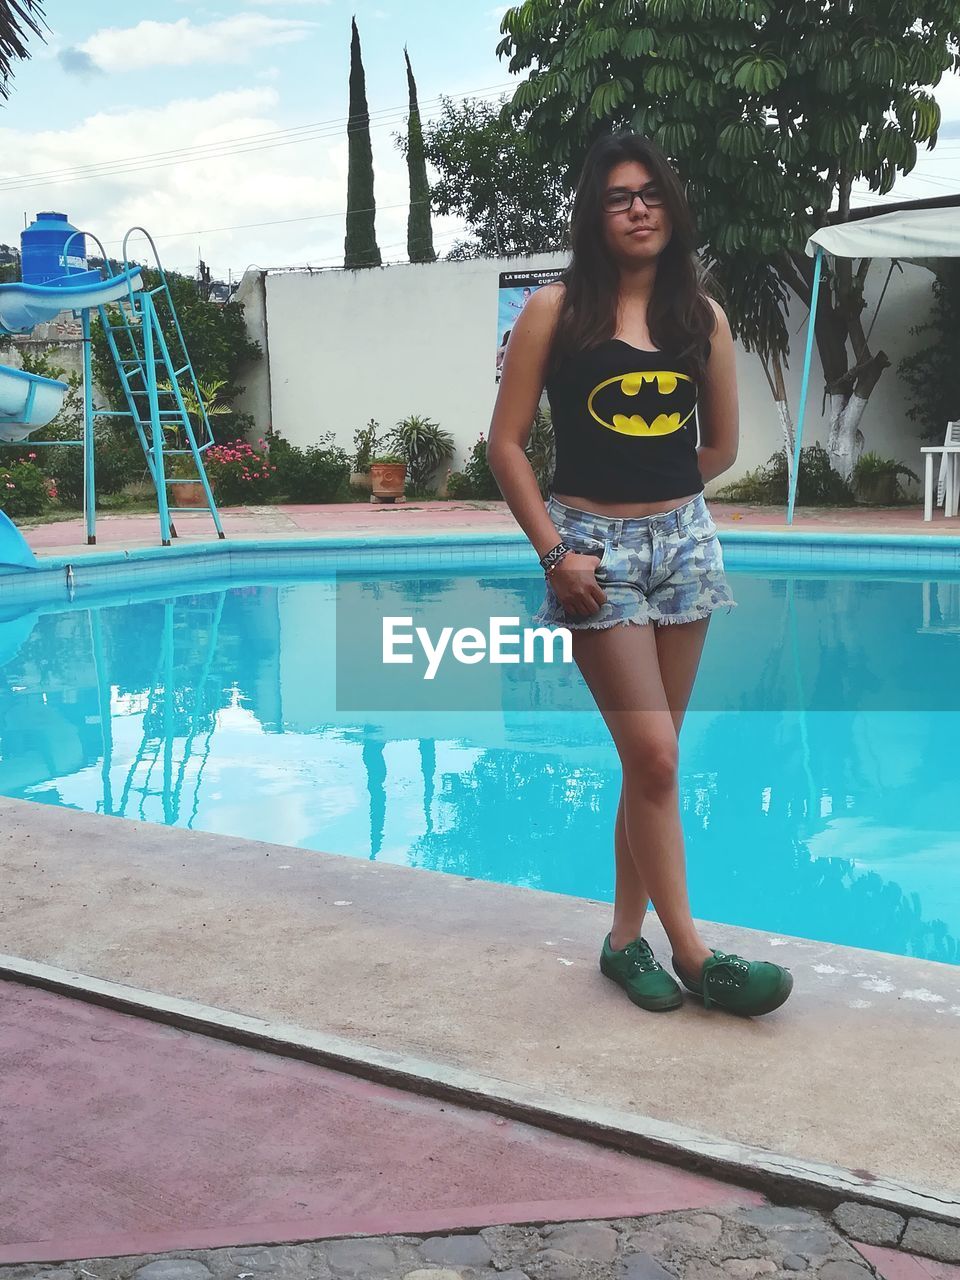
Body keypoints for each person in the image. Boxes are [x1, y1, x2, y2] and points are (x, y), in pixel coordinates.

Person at [487, 133, 793, 1018]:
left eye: (651, 192)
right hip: (590, 553)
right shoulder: (554, 310)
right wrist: (557, 552)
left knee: (646, 761)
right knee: (655, 754)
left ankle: (625, 942)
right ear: (596, 212)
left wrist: (662, 504)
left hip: (685, 546)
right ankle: (694, 954)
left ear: (673, 206)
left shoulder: (701, 317)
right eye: (619, 196)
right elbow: (504, 445)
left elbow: (723, 446)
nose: (638, 207)